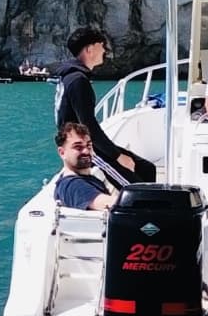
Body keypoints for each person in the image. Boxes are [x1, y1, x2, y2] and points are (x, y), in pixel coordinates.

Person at [55, 28, 156, 184]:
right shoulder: (77, 80)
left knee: (147, 169)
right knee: (134, 185)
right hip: (86, 147)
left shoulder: (71, 77)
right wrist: (117, 156)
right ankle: (142, 205)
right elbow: (88, 125)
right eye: (101, 45)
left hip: (86, 141)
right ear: (89, 49)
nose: (105, 50)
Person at [53, 121, 115, 211]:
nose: (86, 151)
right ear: (62, 153)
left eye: (88, 146)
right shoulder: (73, 185)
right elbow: (109, 204)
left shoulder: (84, 178)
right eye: (78, 147)